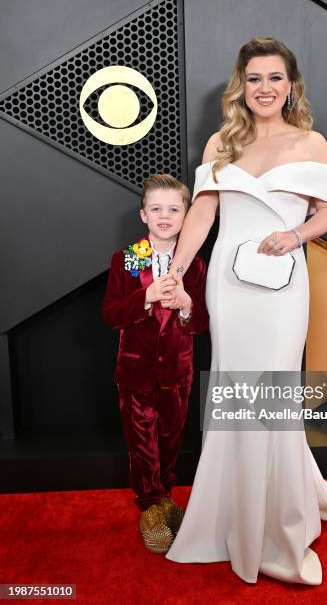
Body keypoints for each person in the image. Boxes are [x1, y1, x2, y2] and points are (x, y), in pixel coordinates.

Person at [164, 38, 327, 584]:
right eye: (254, 79)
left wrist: (294, 235)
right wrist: (176, 270)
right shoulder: (222, 142)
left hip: (284, 285)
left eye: (274, 78)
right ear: (240, 86)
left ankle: (278, 521)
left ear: (290, 84)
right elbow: (202, 212)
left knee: (271, 391)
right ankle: (232, 513)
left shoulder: (311, 142)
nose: (264, 88)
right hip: (229, 282)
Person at [102, 174, 209, 554]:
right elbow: (111, 315)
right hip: (136, 373)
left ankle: (164, 498)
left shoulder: (195, 264)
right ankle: (149, 507)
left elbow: (202, 323)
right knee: (142, 444)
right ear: (144, 215)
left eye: (174, 209)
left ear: (185, 217)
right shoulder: (129, 259)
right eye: (157, 209)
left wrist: (187, 305)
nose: (165, 216)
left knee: (169, 441)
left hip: (177, 373)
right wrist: (145, 296)